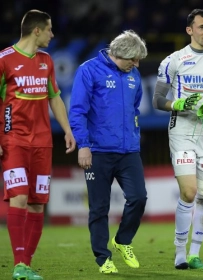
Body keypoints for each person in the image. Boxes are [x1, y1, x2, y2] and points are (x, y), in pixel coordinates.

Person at [152, 9, 203, 270]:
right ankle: (179, 253)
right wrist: (178, 103)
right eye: (201, 27)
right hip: (182, 130)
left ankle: (196, 253)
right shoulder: (173, 61)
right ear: (190, 30)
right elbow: (157, 100)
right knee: (189, 192)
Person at [0, 9, 76, 280]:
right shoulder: (4, 60)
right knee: (19, 196)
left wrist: (67, 130)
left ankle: (26, 265)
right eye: (49, 29)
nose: (52, 35)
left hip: (43, 142)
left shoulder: (46, 61)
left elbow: (54, 97)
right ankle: (19, 264)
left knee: (37, 203)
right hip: (14, 140)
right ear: (36, 31)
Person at [69, 30, 148, 274]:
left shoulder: (133, 74)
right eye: (132, 59)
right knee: (99, 208)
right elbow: (78, 111)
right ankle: (103, 258)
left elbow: (135, 109)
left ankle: (123, 240)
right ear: (118, 54)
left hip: (128, 151)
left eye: (137, 61)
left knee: (138, 198)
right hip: (98, 151)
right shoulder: (89, 70)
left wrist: (133, 136)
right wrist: (83, 145)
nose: (136, 65)